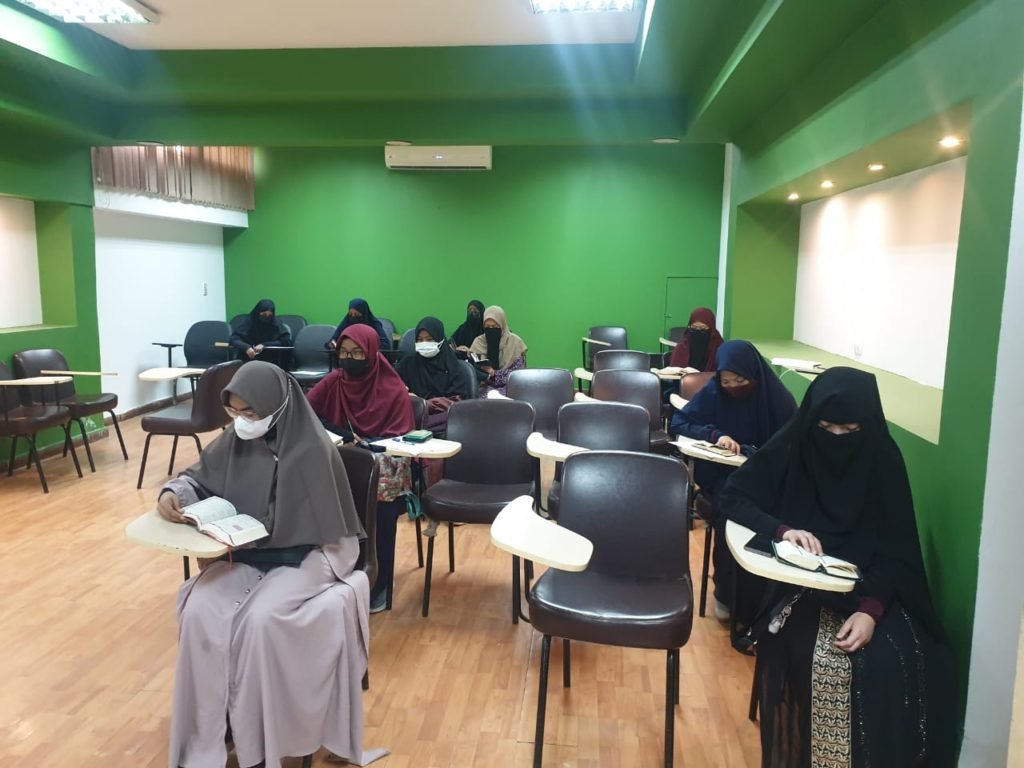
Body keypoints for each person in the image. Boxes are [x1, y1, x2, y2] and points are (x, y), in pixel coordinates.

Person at [720, 368, 957, 768]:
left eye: (849, 430)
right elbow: (734, 496)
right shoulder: (794, 444)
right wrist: (783, 530)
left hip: (873, 582)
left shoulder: (883, 459)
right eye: (826, 428)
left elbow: (897, 548)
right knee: (820, 662)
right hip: (802, 582)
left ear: (867, 426)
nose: (836, 439)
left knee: (907, 661)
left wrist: (870, 611)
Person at [156, 361, 382, 768]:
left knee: (261, 619)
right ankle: (212, 732)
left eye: (250, 412)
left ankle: (266, 738)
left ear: (277, 407)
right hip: (252, 551)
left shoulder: (312, 450)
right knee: (199, 609)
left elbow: (332, 532)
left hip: (314, 552)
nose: (242, 421)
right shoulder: (236, 438)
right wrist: (173, 494)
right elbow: (196, 478)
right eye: (234, 412)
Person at [669, 340, 796, 629]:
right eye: (726, 381)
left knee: (778, 514)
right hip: (724, 478)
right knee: (730, 511)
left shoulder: (779, 400)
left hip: (768, 480)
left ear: (754, 374)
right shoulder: (714, 392)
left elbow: (792, 445)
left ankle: (769, 600)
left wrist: (757, 454)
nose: (733, 388)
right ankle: (726, 591)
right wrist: (715, 435)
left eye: (740, 381)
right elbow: (680, 422)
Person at [307, 324, 415, 613]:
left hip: (384, 467)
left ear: (371, 353)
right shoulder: (335, 381)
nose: (349, 358)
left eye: (357, 353)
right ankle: (333, 572)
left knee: (381, 508)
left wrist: (368, 445)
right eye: (344, 352)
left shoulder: (392, 389)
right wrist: (341, 432)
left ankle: (380, 580)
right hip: (341, 462)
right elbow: (305, 412)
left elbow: (401, 439)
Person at [396, 316, 473, 432]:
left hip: (442, 417)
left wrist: (422, 403)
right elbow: (393, 388)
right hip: (413, 415)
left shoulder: (453, 366)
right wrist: (404, 394)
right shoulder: (408, 363)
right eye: (420, 340)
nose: (424, 343)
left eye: (430, 339)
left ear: (440, 340)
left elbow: (457, 403)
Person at [468, 305, 527, 397]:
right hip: (484, 387)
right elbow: (471, 370)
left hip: (509, 387)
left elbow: (518, 374)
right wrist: (482, 373)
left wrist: (495, 374)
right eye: (487, 327)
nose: (491, 330)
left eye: (495, 326)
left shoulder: (515, 342)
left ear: (502, 325)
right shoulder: (479, 342)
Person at [228, 299, 292, 362]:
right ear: (257, 313)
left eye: (270, 315)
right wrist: (246, 348)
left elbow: (286, 341)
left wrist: (264, 345)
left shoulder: (276, 323)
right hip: (249, 358)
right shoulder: (250, 321)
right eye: (264, 314)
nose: (267, 317)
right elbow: (233, 339)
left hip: (271, 360)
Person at [669, 307, 724, 371]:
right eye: (694, 328)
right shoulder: (682, 346)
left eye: (703, 328)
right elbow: (675, 371)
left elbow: (724, 371)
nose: (698, 331)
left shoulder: (718, 346)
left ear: (711, 329)